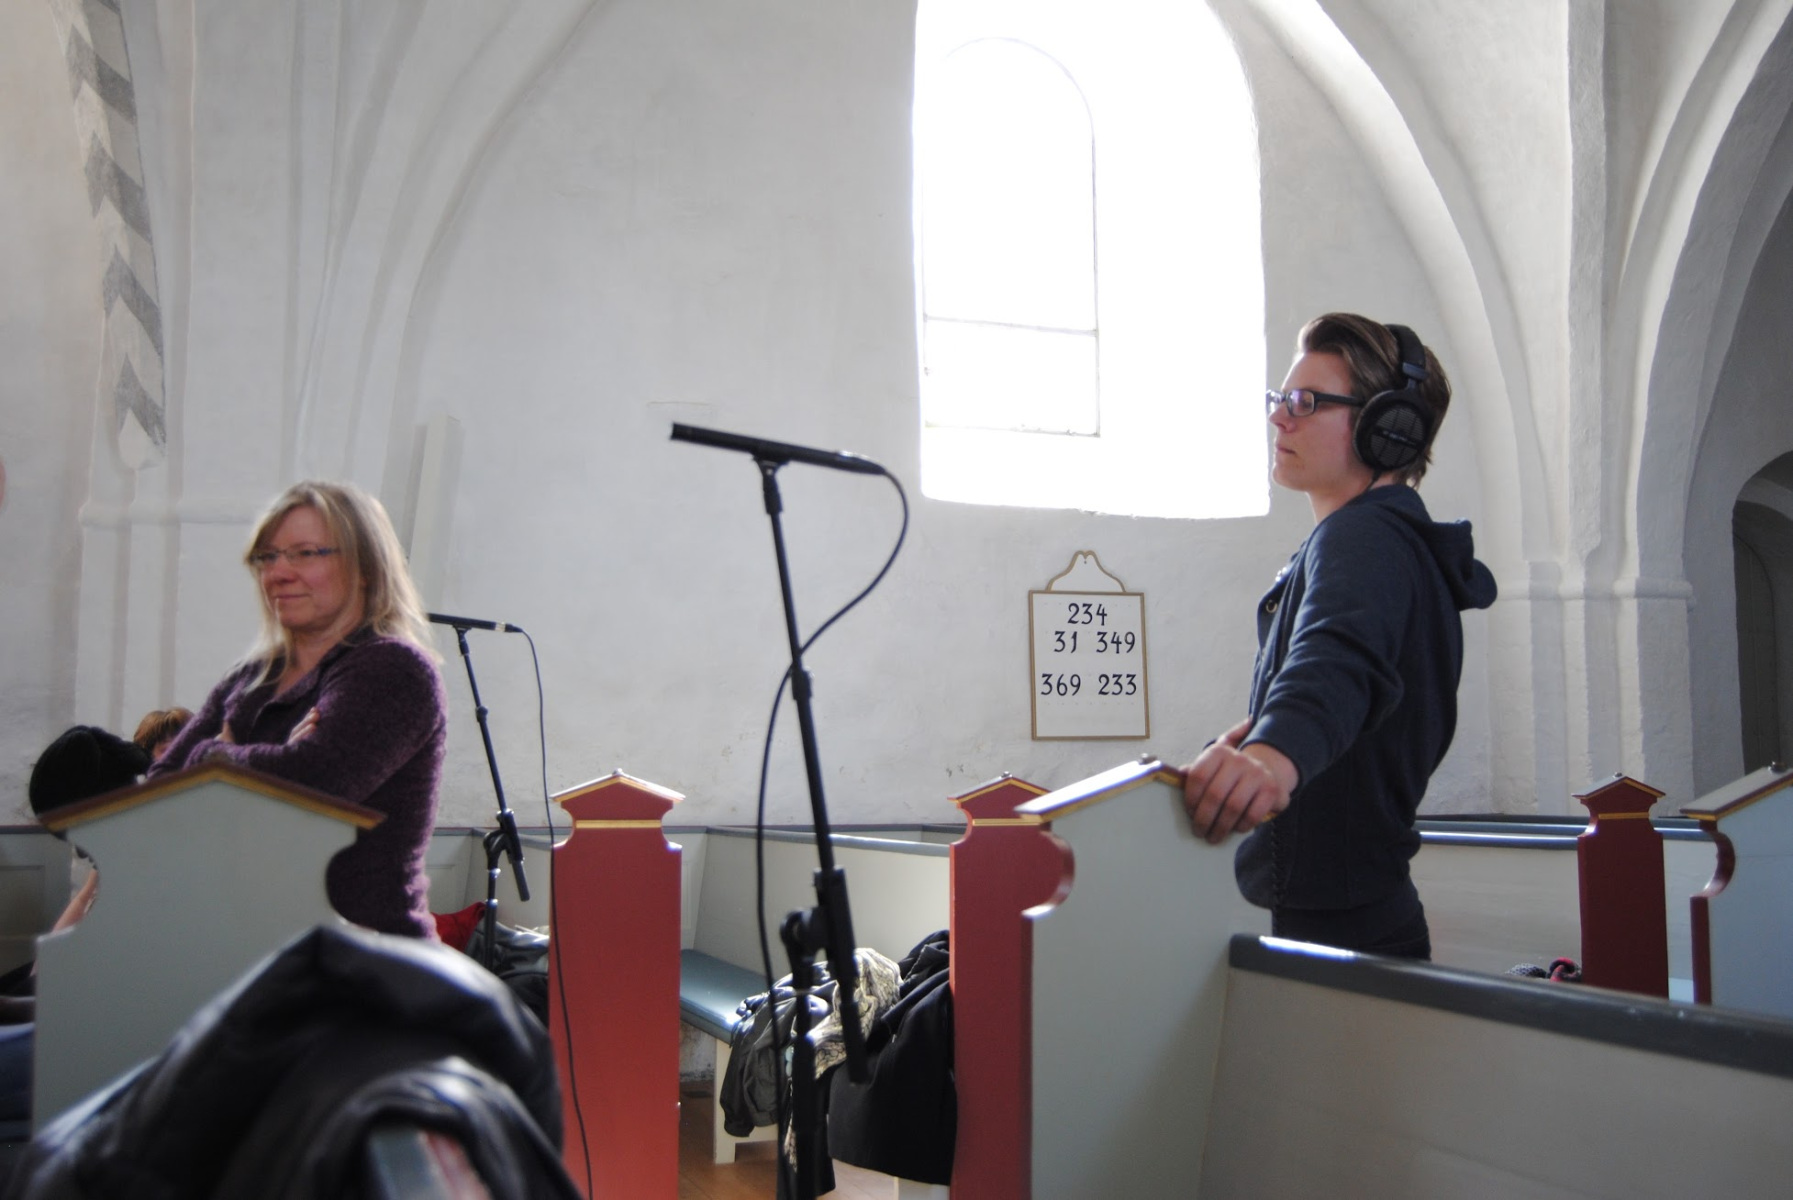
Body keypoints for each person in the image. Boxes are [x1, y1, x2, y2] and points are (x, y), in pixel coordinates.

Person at [1180, 313, 1497, 959]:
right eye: (1280, 398)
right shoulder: (1384, 543)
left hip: (1337, 930)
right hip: (1356, 913)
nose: (1279, 417)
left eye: (1306, 401)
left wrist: (1273, 756)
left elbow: (1338, 658)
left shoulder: (1363, 536)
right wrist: (1257, 740)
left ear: (1388, 429)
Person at [150, 481, 447, 940]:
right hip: (243, 937)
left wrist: (215, 757)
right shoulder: (250, 677)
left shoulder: (393, 668)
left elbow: (312, 783)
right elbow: (159, 794)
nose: (278, 573)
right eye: (268, 557)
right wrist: (270, 762)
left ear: (365, 568)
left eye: (305, 553)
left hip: (361, 952)